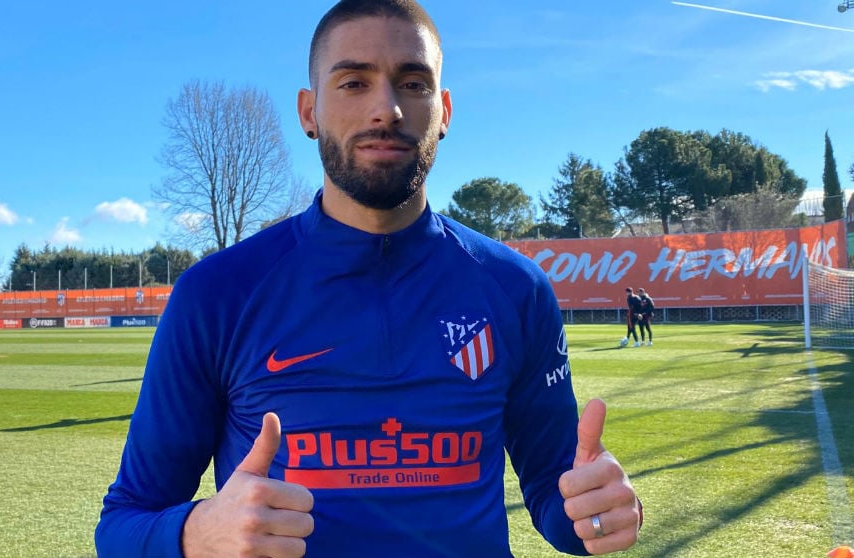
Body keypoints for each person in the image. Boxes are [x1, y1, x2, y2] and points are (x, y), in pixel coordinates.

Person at [95, 1, 642, 557]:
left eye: (413, 83)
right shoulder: (217, 294)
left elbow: (558, 500)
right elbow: (121, 525)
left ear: (444, 109)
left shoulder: (515, 288)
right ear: (308, 112)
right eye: (354, 82)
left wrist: (595, 514)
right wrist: (192, 534)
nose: (387, 109)